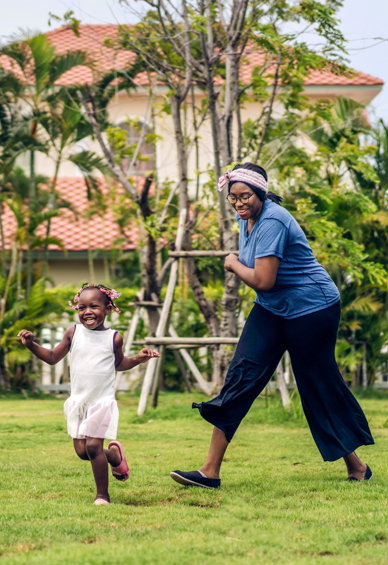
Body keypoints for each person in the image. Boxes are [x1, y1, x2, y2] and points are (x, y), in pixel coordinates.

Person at [170, 162, 374, 490]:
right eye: (233, 197)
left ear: (260, 193)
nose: (238, 203)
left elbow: (264, 280)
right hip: (272, 309)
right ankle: (210, 471)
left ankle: (357, 466)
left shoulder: (274, 220)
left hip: (313, 307)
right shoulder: (246, 220)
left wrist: (234, 263)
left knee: (315, 384)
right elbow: (267, 288)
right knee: (240, 377)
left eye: (245, 196)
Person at [18, 283, 159, 505]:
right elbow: (54, 357)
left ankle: (102, 495)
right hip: (79, 402)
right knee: (83, 452)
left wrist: (138, 359)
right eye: (82, 307)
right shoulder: (73, 333)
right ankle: (113, 456)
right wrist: (31, 345)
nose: (87, 312)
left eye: (94, 306)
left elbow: (119, 364)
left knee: (93, 447)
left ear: (108, 309)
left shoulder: (114, 338)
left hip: (101, 402)